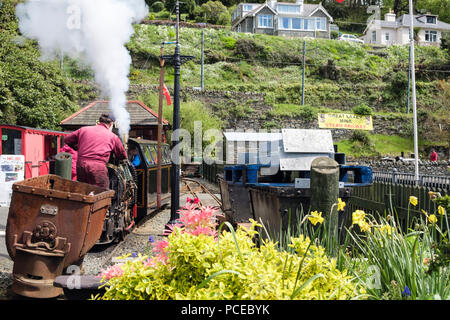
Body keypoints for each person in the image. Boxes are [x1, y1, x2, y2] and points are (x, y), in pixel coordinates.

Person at [64, 113, 127, 189]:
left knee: (82, 190)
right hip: (97, 168)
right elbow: (122, 155)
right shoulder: (113, 136)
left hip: (81, 165)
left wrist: (77, 148)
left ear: (99, 122)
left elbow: (67, 139)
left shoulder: (83, 130)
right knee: (102, 193)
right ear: (111, 124)